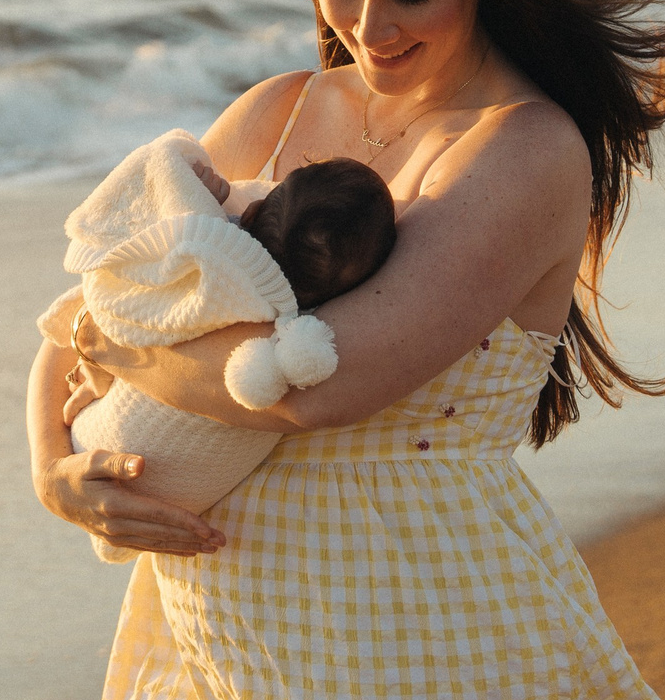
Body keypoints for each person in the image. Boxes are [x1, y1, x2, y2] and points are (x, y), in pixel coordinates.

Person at [27, 0, 665, 700]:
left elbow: (325, 386)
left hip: (416, 635)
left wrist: (115, 344)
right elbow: (87, 302)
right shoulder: (271, 114)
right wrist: (51, 470)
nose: (370, 28)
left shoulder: (523, 151)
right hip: (215, 640)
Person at [39, 131, 397, 544]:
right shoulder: (307, 327)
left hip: (103, 447)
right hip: (184, 497)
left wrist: (194, 193)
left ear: (251, 215)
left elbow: (156, 178)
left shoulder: (209, 253)